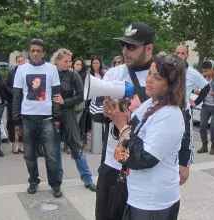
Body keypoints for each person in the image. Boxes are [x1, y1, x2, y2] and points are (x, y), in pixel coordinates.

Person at [106, 53, 186, 220]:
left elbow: (143, 159)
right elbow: (131, 131)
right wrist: (116, 116)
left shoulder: (170, 115)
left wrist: (122, 126)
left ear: (171, 84)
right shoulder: (151, 103)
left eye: (157, 77)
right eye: (149, 73)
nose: (149, 79)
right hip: (139, 194)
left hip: (153, 201)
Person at [91, 22, 155, 220]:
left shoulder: (162, 74)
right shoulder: (114, 73)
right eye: (123, 45)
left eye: (131, 46)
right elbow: (94, 110)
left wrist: (184, 161)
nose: (125, 51)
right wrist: (109, 113)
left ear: (149, 48)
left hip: (146, 162)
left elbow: (182, 117)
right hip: (113, 161)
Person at [12, 39, 62, 198]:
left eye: (38, 50)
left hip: (47, 118)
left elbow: (56, 94)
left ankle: (55, 184)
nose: (35, 53)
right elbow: (16, 96)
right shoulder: (20, 69)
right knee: (29, 155)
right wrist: (16, 120)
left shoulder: (52, 69)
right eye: (32, 50)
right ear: (29, 51)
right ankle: (33, 181)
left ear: (43, 53)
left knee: (51, 155)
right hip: (27, 118)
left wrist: (57, 117)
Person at [51, 48, 96, 192]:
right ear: (57, 60)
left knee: (77, 147)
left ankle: (88, 179)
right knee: (55, 150)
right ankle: (57, 182)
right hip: (53, 115)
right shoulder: (50, 73)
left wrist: (65, 101)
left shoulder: (73, 75)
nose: (68, 64)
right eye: (65, 61)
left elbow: (81, 95)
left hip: (68, 112)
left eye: (69, 61)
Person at [174, 45, 210, 184]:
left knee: (185, 145)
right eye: (177, 53)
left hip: (184, 114)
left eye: (183, 53)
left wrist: (197, 101)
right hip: (167, 113)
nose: (180, 55)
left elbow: (206, 87)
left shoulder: (192, 72)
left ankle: (182, 172)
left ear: (187, 56)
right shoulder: (167, 70)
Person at [197, 61, 214, 155]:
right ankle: (204, 145)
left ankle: (213, 146)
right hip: (206, 105)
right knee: (202, 126)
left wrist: (213, 93)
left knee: (213, 127)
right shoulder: (202, 78)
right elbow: (198, 88)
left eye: (206, 71)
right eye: (203, 71)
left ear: (211, 69)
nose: (204, 73)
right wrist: (199, 92)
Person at [5, 53, 26, 154]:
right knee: (12, 122)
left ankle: (22, 143)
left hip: (25, 101)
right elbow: (6, 85)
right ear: (16, 62)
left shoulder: (28, 72)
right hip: (13, 101)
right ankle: (13, 143)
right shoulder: (11, 73)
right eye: (19, 61)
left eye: (22, 61)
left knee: (23, 122)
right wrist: (14, 92)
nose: (21, 63)